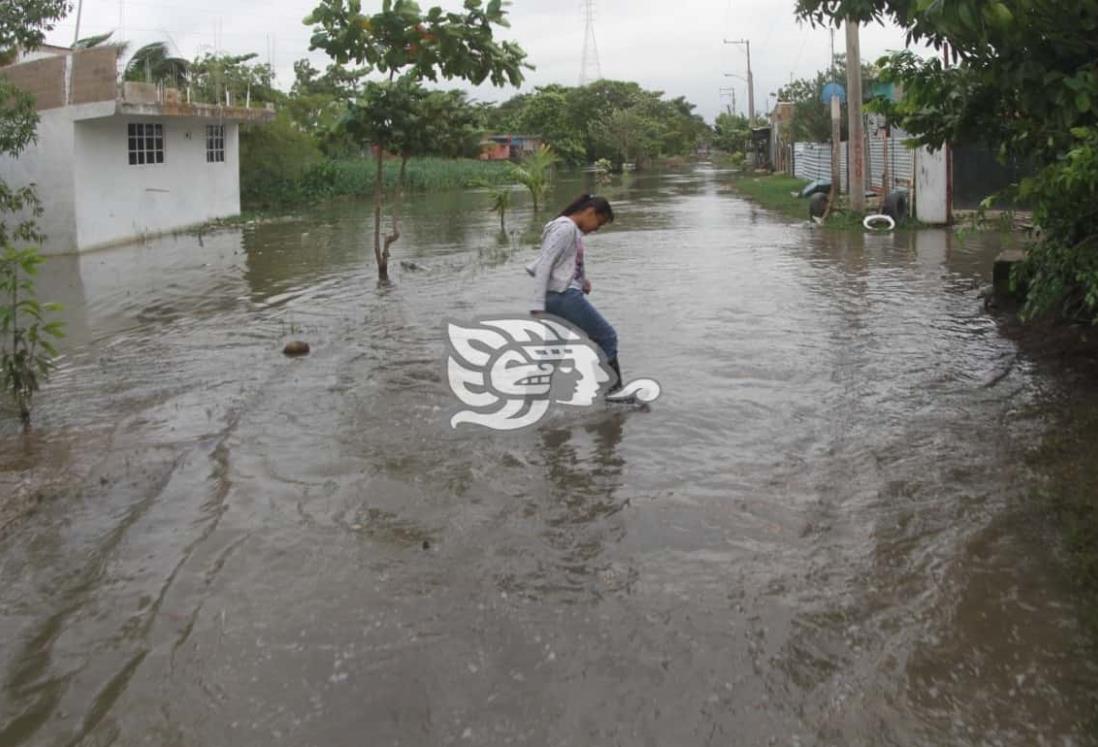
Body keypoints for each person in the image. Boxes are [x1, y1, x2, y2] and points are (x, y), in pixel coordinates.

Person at [526, 194, 630, 401]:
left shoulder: (567, 229)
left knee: (554, 350)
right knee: (607, 337)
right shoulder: (565, 228)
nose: (596, 229)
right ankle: (614, 396)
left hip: (557, 295)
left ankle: (533, 396)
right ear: (590, 212)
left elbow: (562, 263)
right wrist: (536, 303)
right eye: (598, 223)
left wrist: (583, 281)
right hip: (564, 296)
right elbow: (546, 263)